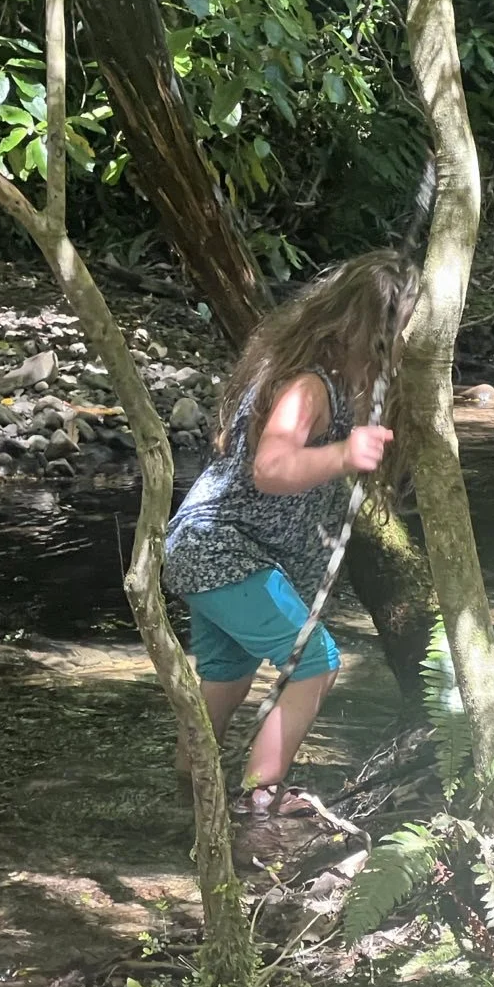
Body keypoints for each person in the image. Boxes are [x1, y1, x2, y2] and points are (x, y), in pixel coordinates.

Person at [163, 251, 417, 814]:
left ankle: (188, 798)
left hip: (213, 550)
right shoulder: (310, 387)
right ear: (369, 331)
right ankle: (262, 800)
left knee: (225, 679)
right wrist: (345, 452)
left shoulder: (339, 386)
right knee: (316, 661)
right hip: (220, 548)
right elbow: (271, 469)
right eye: (398, 333)